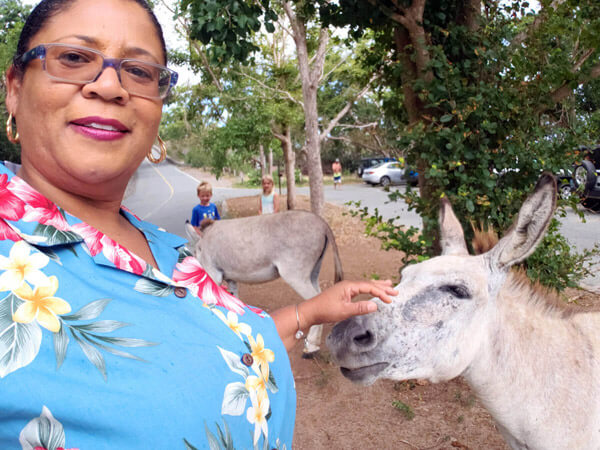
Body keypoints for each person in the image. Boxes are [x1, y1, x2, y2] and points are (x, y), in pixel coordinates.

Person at [0, 0, 397, 448]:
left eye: (139, 72)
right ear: (14, 87)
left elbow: (225, 345)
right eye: (73, 58)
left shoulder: (169, 251)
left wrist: (311, 311)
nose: (109, 85)